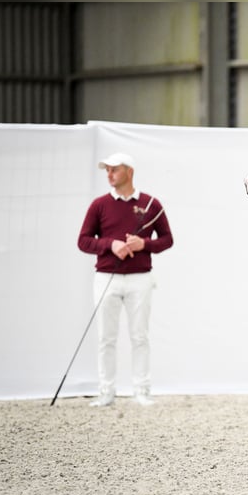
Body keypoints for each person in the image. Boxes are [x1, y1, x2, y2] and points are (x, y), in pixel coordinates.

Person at [77, 152, 173, 407]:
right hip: (106, 276)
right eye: (106, 170)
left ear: (129, 172)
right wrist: (111, 245)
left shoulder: (151, 204)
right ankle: (106, 391)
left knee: (139, 336)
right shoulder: (99, 205)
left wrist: (143, 243)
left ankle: (142, 390)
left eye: (114, 169)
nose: (109, 175)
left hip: (140, 279)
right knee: (105, 338)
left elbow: (167, 240)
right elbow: (83, 241)